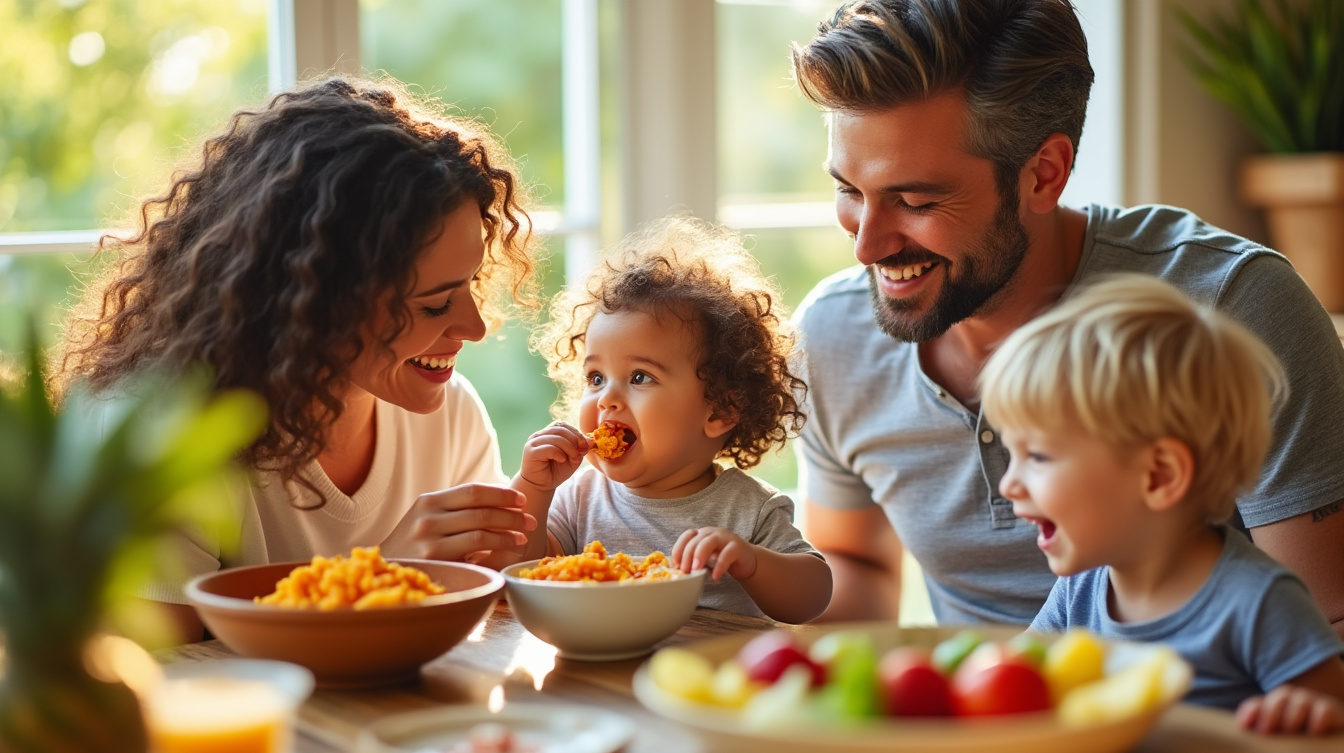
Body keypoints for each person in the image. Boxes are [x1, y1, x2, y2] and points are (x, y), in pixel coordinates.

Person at [788, 0, 1344, 630]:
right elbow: (855, 561)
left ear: (1043, 175)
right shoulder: (832, 338)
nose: (866, 245)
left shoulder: (1232, 309)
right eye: (848, 190)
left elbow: (1324, 632)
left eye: (915, 200)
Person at [57, 76, 542, 642]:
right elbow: (162, 673)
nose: (475, 328)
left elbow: (483, 612)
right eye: (435, 304)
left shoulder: (450, 415)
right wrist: (375, 583)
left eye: (471, 285)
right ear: (315, 299)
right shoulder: (163, 436)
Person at [982, 274, 1344, 735]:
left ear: (1159, 475)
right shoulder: (1083, 588)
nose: (1009, 483)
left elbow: (1332, 721)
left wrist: (1313, 715)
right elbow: (1018, 677)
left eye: (1037, 456)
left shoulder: (1258, 602)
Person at [486, 217, 832, 623]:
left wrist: (752, 561)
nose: (607, 399)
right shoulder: (579, 497)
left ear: (719, 409)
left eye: (639, 377)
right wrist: (534, 488)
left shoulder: (748, 510)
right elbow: (514, 574)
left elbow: (813, 596)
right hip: (593, 677)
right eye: (595, 378)